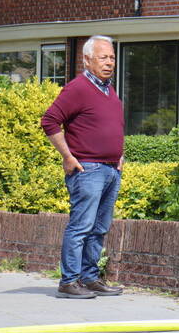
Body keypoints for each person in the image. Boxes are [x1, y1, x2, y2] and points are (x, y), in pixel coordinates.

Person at [41, 35, 125, 299]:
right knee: (81, 226)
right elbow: (50, 121)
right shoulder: (77, 88)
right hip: (87, 170)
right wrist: (67, 156)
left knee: (100, 227)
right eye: (103, 57)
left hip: (111, 170)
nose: (109, 62)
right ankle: (68, 281)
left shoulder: (108, 90)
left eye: (112, 57)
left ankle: (90, 278)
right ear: (87, 59)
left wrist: (119, 155)